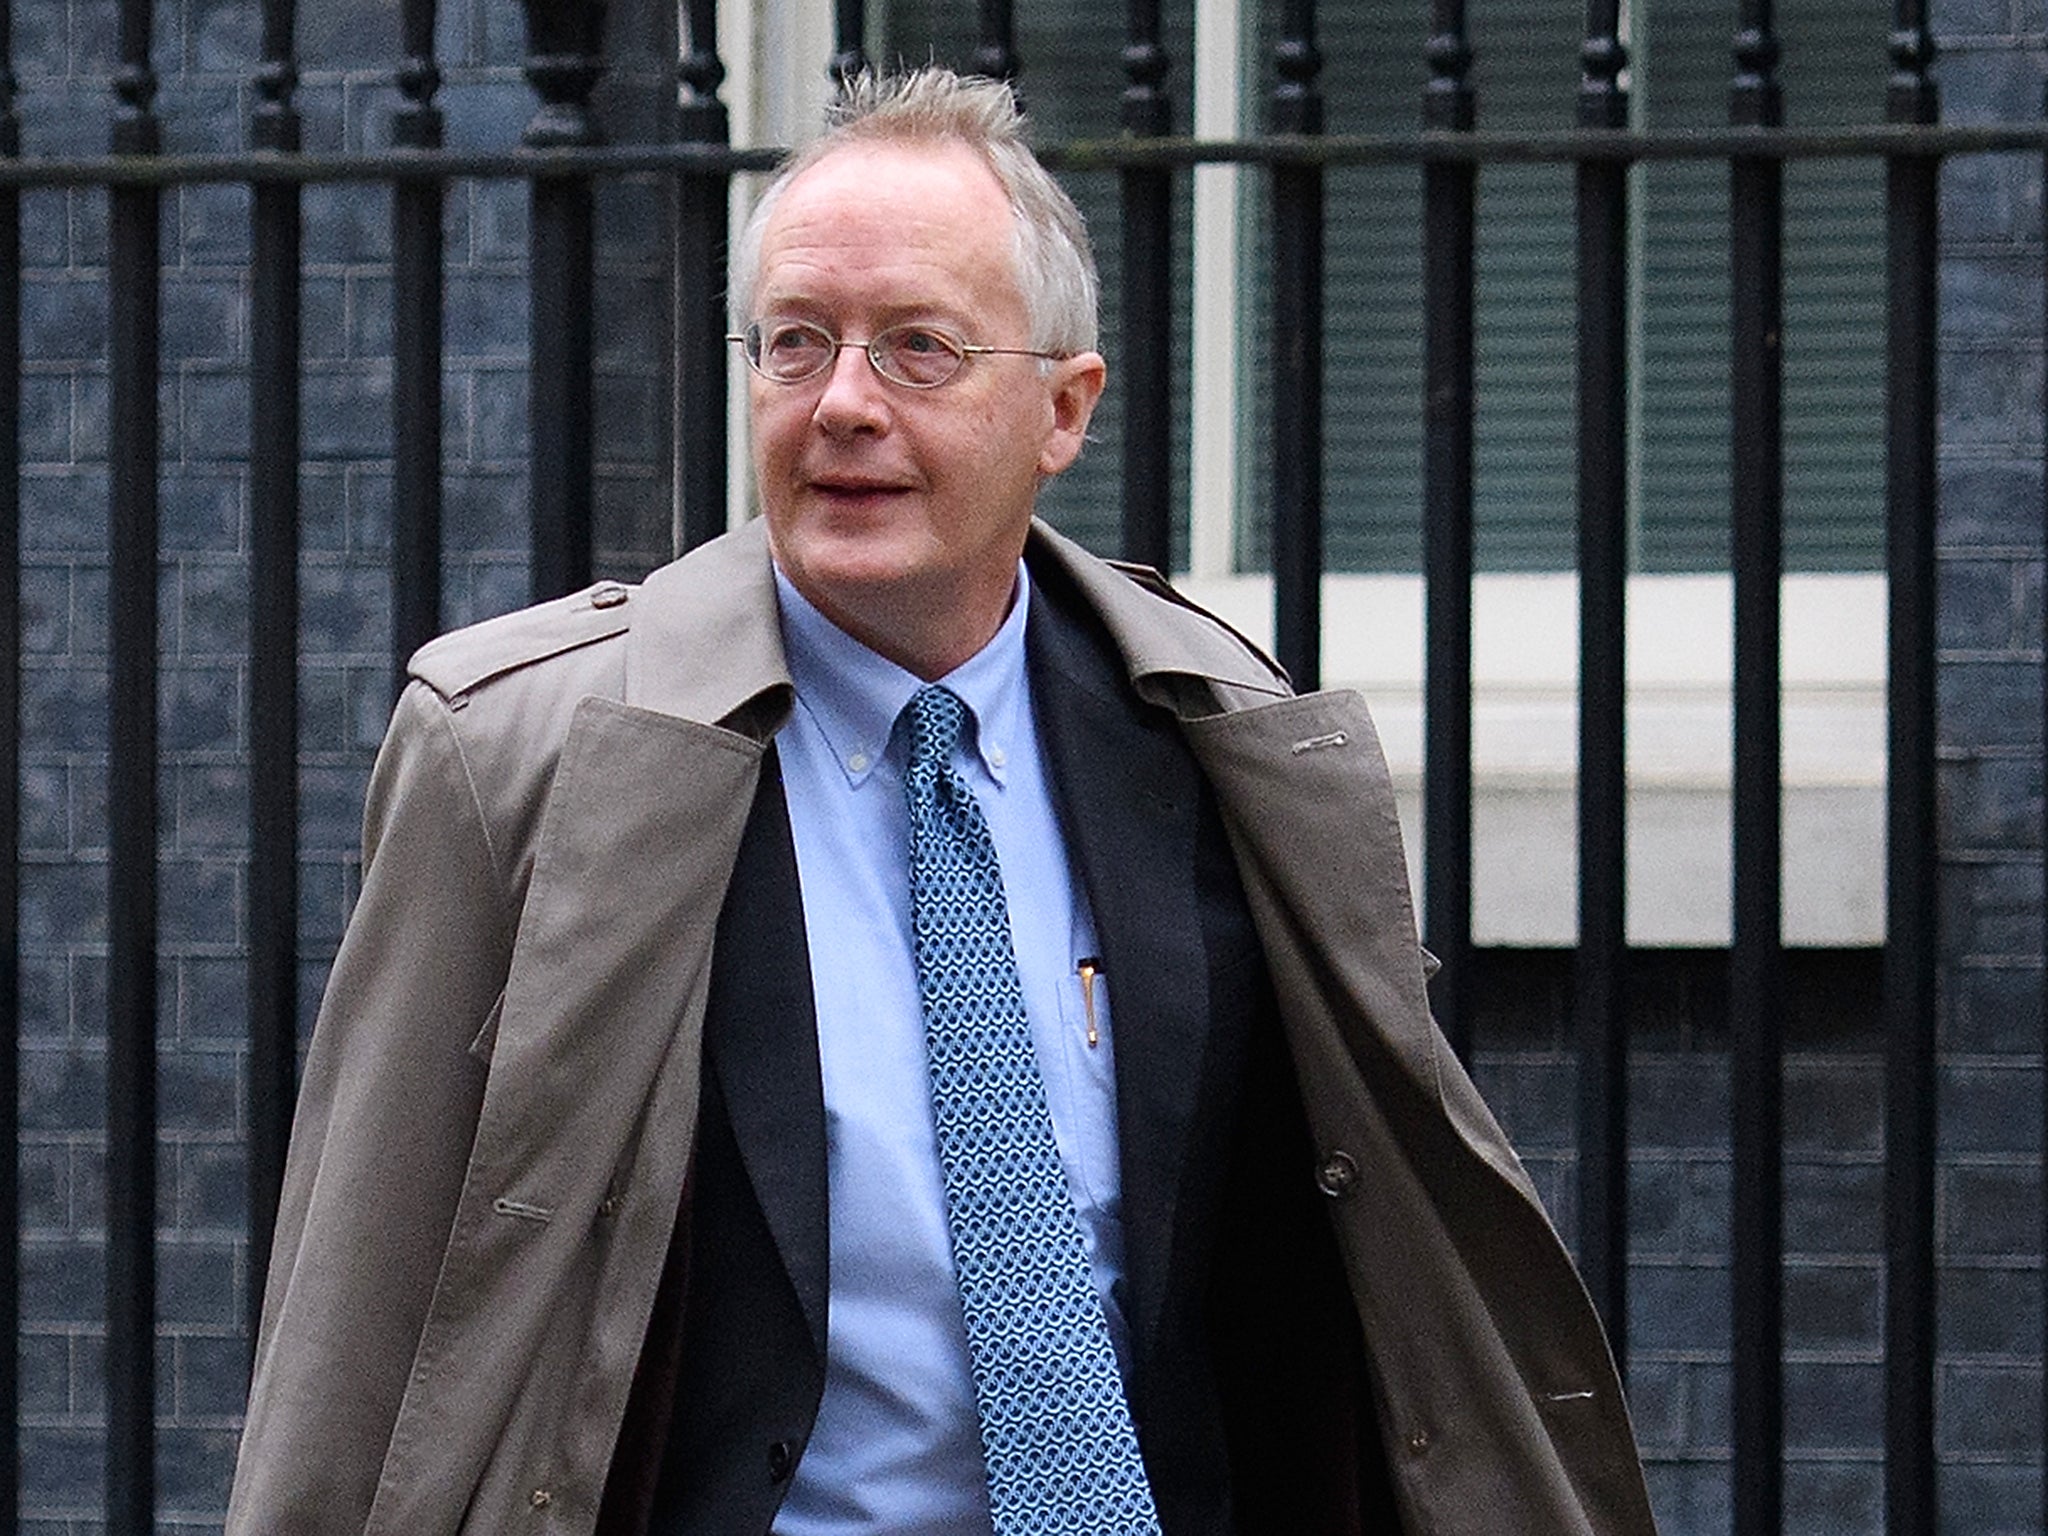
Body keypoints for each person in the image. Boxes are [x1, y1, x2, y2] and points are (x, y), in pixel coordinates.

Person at [227, 67, 1654, 1536]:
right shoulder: (520, 751)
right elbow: (358, 1327)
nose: (843, 404)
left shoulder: (1218, 737)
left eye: (917, 349)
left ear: (1062, 408)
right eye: (798, 343)